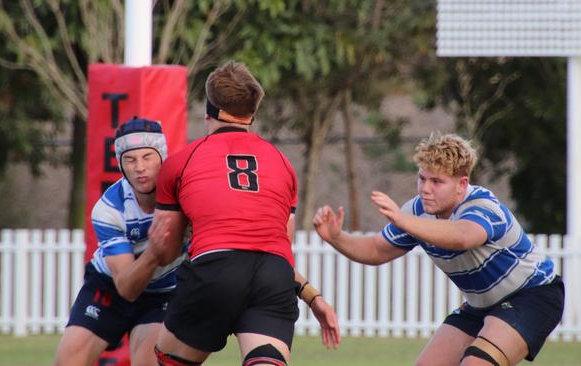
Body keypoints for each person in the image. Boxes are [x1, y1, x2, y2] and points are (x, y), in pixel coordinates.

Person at [146, 60, 340, 366]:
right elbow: (278, 249)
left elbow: (167, 250)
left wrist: (161, 247)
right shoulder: (281, 163)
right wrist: (312, 296)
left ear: (209, 108)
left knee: (166, 358)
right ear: (252, 112)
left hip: (215, 269)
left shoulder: (182, 160)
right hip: (273, 276)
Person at [313, 133, 564, 366]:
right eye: (422, 178)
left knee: (476, 363)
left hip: (533, 295)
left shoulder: (483, 206)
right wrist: (337, 237)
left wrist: (402, 220)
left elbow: (462, 237)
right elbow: (376, 249)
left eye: (437, 182)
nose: (425, 188)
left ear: (461, 184)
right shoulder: (417, 211)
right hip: (480, 306)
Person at [53, 117, 187, 366]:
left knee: (149, 360)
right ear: (121, 165)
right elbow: (127, 287)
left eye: (148, 157)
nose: (139, 167)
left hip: (163, 293)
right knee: (68, 360)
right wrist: (154, 253)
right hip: (110, 287)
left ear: (163, 158)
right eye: (130, 159)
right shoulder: (109, 209)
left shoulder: (187, 196)